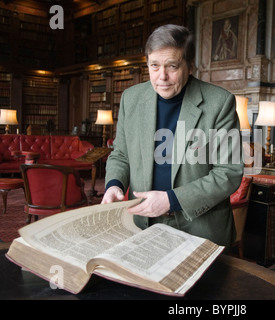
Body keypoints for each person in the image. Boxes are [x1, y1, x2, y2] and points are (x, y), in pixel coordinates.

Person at [102, 24, 244, 249]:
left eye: (172, 66)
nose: (162, 77)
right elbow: (121, 154)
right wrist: (114, 184)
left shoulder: (221, 102)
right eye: (154, 66)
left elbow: (229, 173)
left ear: (190, 66)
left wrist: (172, 200)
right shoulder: (131, 99)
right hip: (141, 224)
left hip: (200, 228)